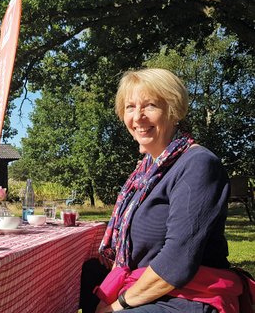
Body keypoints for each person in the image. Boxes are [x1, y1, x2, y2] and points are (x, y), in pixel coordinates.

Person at [81, 68, 249, 313]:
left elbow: (177, 261)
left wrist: (118, 305)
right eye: (130, 107)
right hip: (146, 284)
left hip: (188, 295)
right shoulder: (147, 172)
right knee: (79, 275)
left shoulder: (198, 164)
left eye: (150, 106)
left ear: (173, 111)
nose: (138, 117)